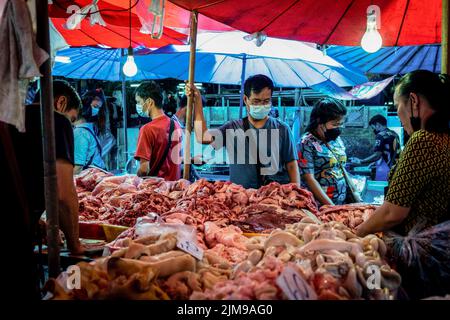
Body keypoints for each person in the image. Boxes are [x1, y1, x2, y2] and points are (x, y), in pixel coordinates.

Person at [356, 70, 450, 299]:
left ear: (414, 101)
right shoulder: (445, 138)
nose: (398, 114)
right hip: (438, 257)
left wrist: (354, 234)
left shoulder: (424, 140)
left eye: (398, 105)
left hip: (419, 259)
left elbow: (392, 213)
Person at [11, 79, 84, 254]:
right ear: (61, 102)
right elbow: (62, 194)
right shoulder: (56, 122)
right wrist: (75, 245)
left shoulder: (11, 121)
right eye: (72, 119)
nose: (72, 125)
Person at [191, 74, 300, 189]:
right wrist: (198, 101)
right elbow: (202, 137)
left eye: (266, 101)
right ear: (245, 99)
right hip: (240, 199)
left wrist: (296, 192)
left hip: (273, 199)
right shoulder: (232, 128)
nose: (261, 106)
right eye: (256, 101)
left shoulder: (282, 129)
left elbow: (292, 165)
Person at [298, 98, 351, 206]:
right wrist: (331, 207)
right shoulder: (306, 142)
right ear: (320, 122)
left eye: (340, 124)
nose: (339, 128)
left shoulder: (336, 140)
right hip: (320, 205)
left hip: (341, 201)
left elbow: (341, 168)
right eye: (335, 124)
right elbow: (309, 179)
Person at [134, 81, 182, 180]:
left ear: (149, 102)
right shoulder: (176, 125)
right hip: (175, 189)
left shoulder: (147, 129)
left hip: (156, 191)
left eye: (139, 102)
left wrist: (132, 179)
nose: (137, 105)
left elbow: (144, 169)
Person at [349, 115, 400, 181]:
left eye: (374, 128)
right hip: (397, 167)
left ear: (378, 125)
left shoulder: (381, 135)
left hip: (387, 170)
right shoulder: (394, 134)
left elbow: (377, 155)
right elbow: (390, 151)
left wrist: (361, 161)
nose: (374, 130)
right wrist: (376, 162)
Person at [73, 107, 106, 174]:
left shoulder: (80, 132)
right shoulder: (88, 128)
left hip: (89, 176)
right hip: (95, 173)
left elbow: (78, 167)